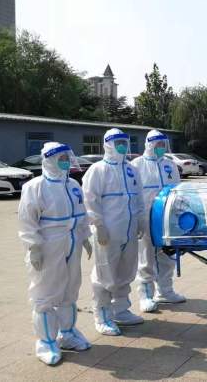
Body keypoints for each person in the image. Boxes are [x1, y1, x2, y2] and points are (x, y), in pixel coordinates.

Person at [18, 142, 93, 365]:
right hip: (49, 245)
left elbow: (81, 213)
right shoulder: (35, 186)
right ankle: (46, 342)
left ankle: (67, 333)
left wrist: (85, 236)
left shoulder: (73, 184)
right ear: (49, 160)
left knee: (70, 290)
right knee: (46, 293)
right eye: (61, 158)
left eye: (67, 158)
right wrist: (33, 247)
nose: (66, 162)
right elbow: (27, 220)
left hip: (73, 242)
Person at [83, 128, 146, 336]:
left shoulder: (131, 169)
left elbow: (138, 197)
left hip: (129, 230)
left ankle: (121, 310)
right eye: (118, 142)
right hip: (108, 231)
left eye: (124, 142)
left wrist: (140, 220)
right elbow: (89, 200)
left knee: (125, 270)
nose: (122, 146)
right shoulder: (98, 170)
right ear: (108, 144)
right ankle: (102, 316)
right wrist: (98, 225)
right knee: (105, 273)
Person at [132, 130, 185, 314]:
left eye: (163, 144)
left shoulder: (169, 165)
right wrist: (137, 219)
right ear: (149, 144)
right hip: (146, 218)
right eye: (158, 144)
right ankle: (146, 295)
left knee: (167, 255)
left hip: (166, 218)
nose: (161, 148)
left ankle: (165, 291)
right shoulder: (137, 165)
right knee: (146, 257)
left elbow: (178, 191)